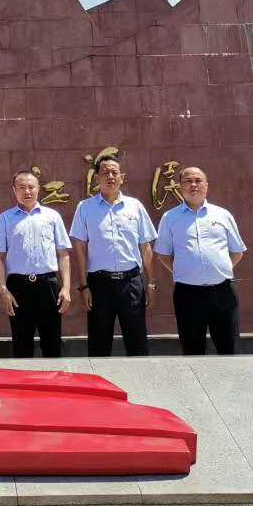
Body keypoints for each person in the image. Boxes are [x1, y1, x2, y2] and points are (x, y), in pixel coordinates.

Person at [70, 152, 157, 356]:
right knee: (99, 346)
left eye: (114, 173)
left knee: (137, 343)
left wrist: (151, 283)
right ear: (97, 178)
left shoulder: (135, 207)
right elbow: (80, 249)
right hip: (100, 285)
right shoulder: (85, 208)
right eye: (105, 173)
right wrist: (83, 286)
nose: (110, 176)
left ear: (121, 177)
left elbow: (146, 247)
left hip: (131, 283)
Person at [154, 165, 247, 355]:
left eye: (198, 181)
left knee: (228, 349)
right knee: (192, 350)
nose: (193, 185)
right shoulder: (170, 218)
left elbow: (237, 251)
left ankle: (229, 385)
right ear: (180, 187)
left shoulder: (222, 215)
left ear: (206, 185)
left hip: (223, 291)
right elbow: (162, 253)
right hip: (188, 294)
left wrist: (219, 271)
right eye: (188, 181)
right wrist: (184, 271)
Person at [0, 169, 72, 357]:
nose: (27, 191)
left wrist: (66, 287)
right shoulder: (4, 219)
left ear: (38, 189)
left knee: (52, 343)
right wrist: (2, 290)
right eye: (21, 187)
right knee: (21, 345)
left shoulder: (52, 216)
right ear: (14, 190)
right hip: (18, 287)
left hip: (48, 285)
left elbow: (63, 255)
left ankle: (53, 385)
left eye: (31, 187)